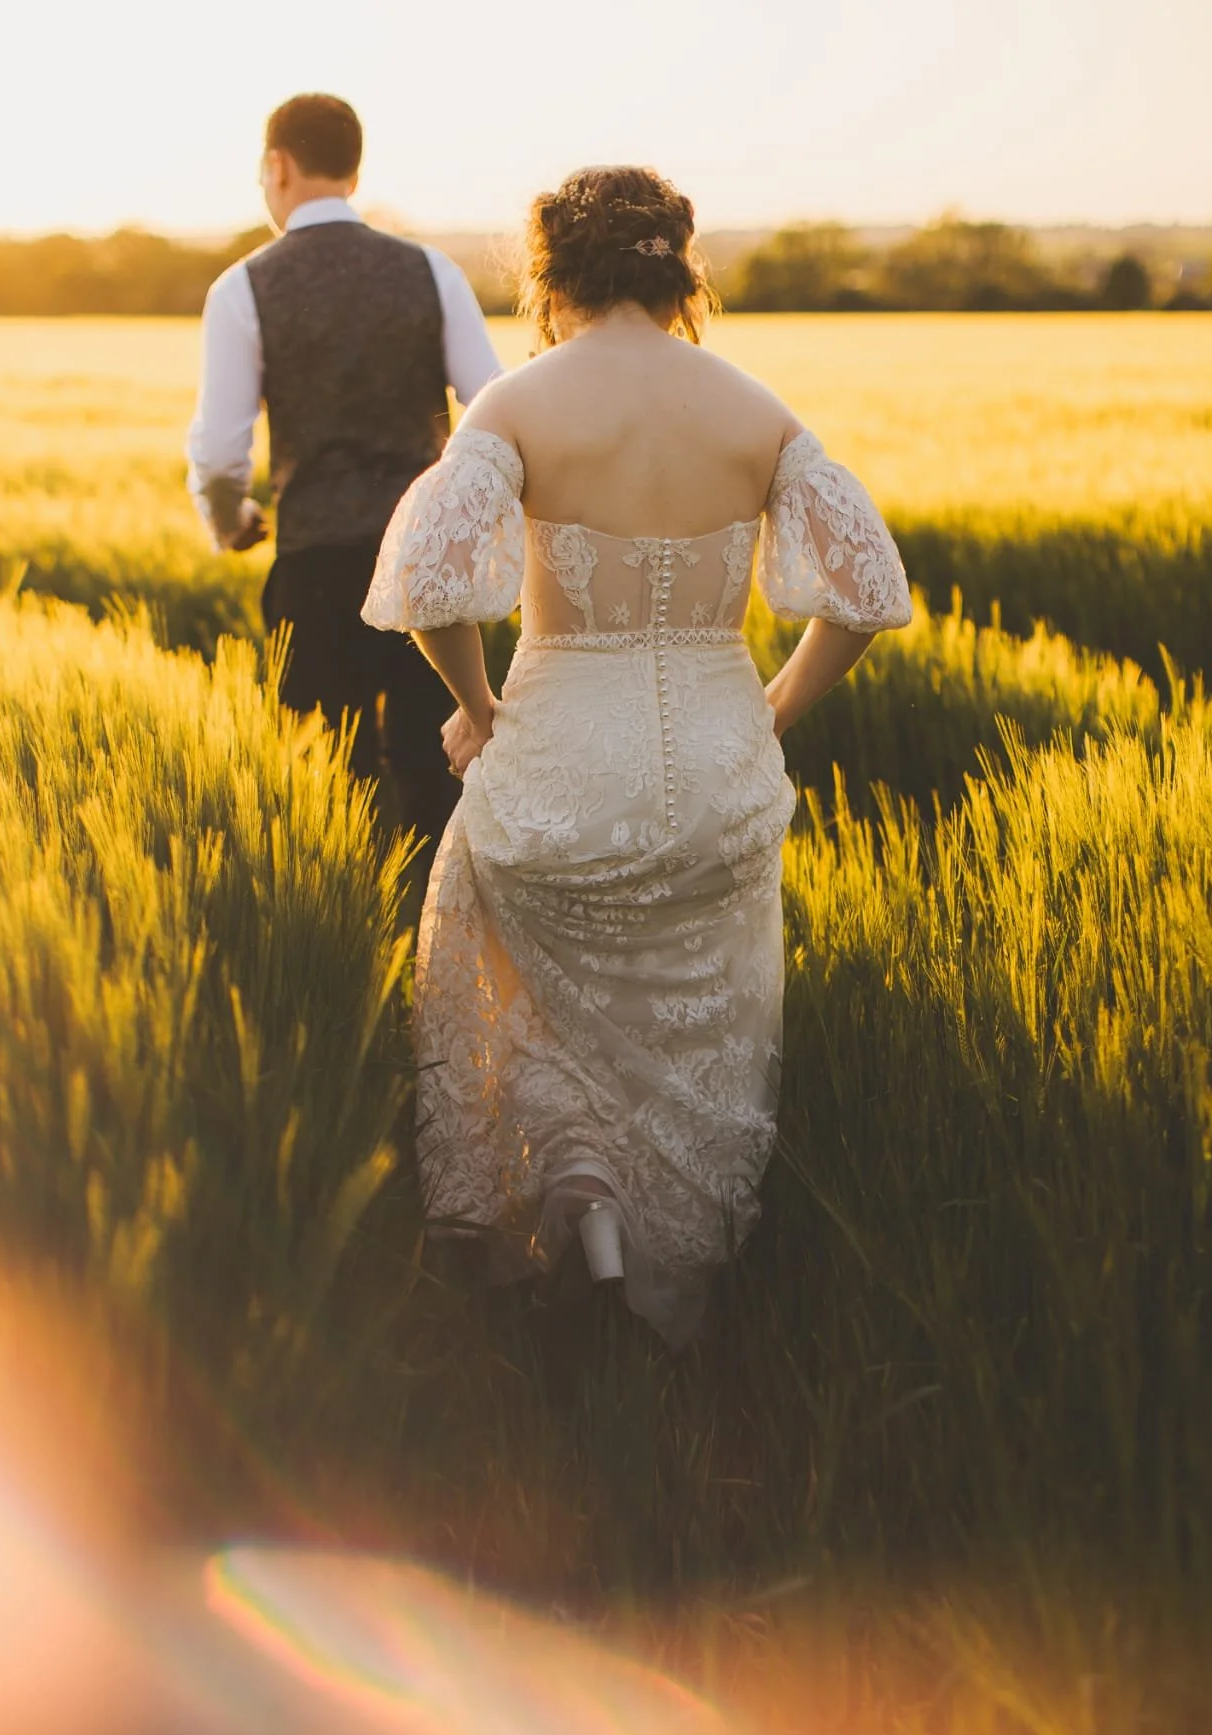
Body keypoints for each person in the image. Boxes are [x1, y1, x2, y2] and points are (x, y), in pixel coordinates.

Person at [362, 166, 911, 1345]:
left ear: (551, 275)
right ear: (678, 272)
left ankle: (582, 1211)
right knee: (685, 1033)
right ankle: (664, 1298)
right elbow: (867, 591)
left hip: (560, 757)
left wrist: (482, 705)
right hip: (717, 763)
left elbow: (428, 585)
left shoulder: (517, 405)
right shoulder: (756, 408)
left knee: (514, 983)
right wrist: (768, 703)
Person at [186, 93, 501, 859]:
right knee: (440, 778)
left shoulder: (242, 289)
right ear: (354, 171)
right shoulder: (430, 270)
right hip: (430, 566)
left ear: (277, 166)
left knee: (329, 784)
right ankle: (435, 948)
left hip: (316, 566)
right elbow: (492, 404)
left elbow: (221, 453)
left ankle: (350, 939)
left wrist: (231, 525)